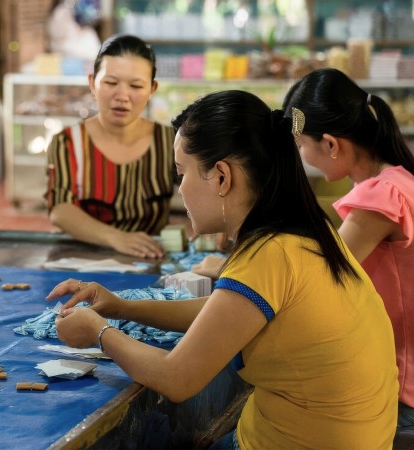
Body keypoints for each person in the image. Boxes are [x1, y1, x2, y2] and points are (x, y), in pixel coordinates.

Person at [46, 90, 398, 448]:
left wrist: (98, 330)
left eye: (182, 173)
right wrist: (120, 306)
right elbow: (223, 315)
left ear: (221, 178)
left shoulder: (269, 254)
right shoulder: (306, 230)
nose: (179, 189)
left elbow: (176, 378)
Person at [283, 67, 414, 428]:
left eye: (300, 145)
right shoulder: (399, 179)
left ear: (330, 144)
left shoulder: (380, 197)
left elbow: (322, 276)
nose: (300, 156)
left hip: (402, 388)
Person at [44, 34, 175, 259]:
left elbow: (207, 189)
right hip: (83, 262)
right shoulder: (68, 143)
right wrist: (116, 238)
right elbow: (60, 209)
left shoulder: (170, 141)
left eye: (135, 85)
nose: (122, 96)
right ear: (92, 84)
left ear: (152, 90)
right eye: (111, 83)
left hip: (151, 260)